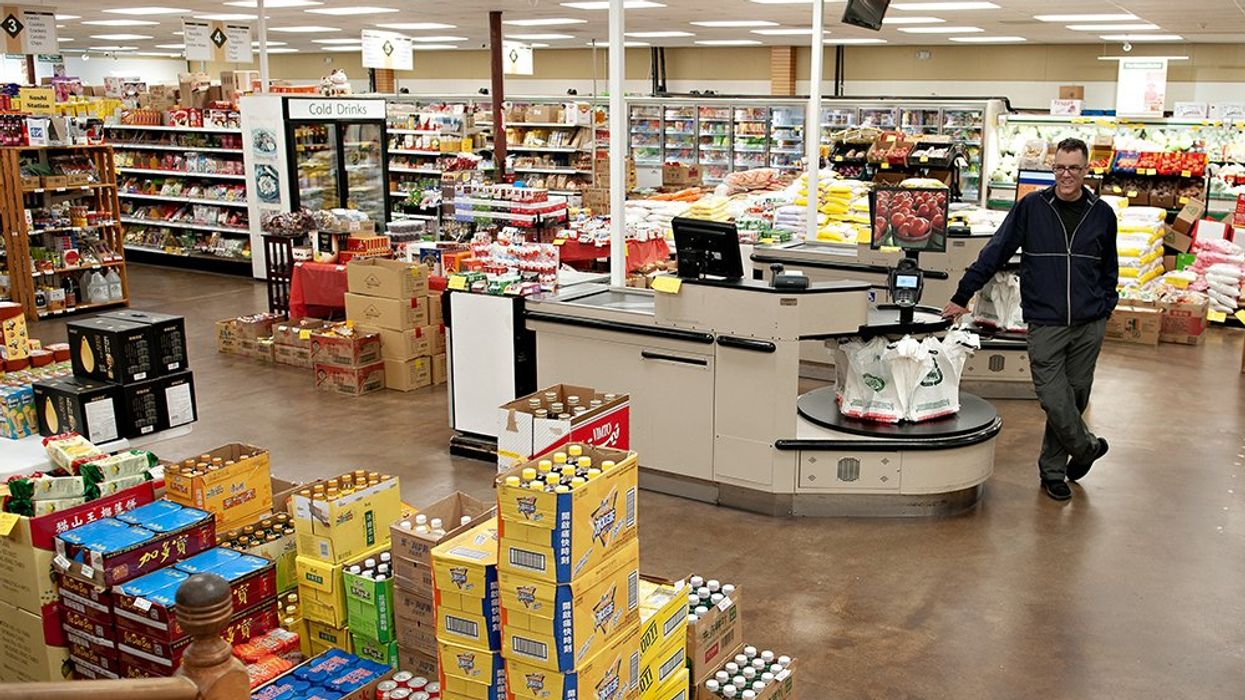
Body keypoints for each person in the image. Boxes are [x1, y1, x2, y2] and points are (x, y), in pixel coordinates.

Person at [942, 137, 1118, 502]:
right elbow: (996, 250)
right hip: (1047, 322)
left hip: (1089, 323)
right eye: (1059, 168)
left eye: (1073, 168)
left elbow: (1109, 268)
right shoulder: (1032, 208)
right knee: (1055, 399)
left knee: (1075, 396)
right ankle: (1086, 448)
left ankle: (1053, 470)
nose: (1066, 175)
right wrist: (964, 293)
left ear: (1087, 171)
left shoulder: (1102, 214)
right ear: (1052, 169)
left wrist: (1106, 305)